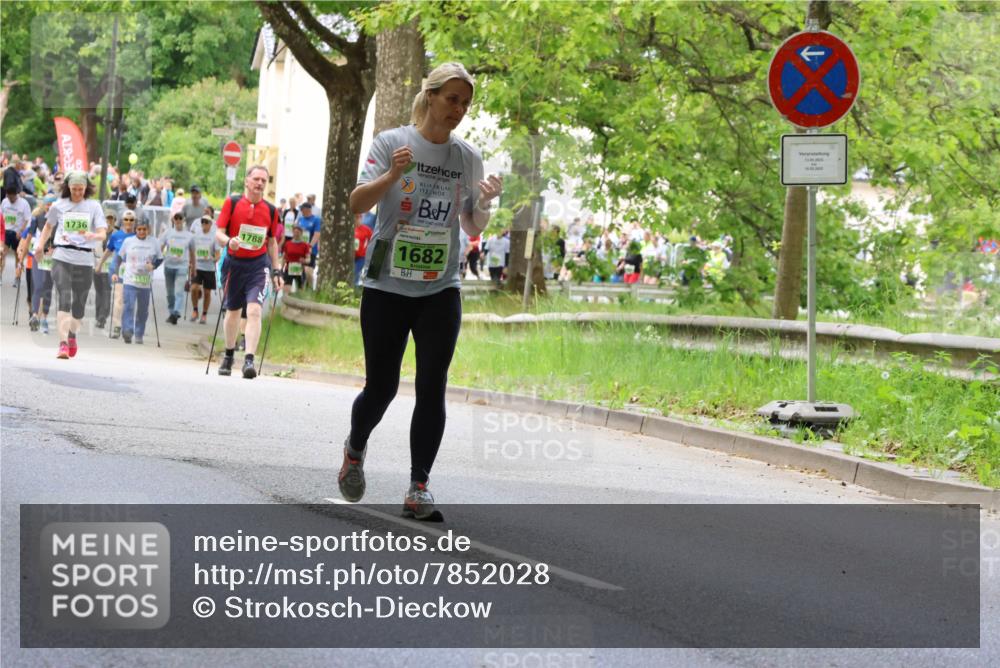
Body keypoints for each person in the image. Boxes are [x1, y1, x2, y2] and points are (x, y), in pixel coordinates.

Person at [344, 62, 502, 519]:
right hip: (387, 285)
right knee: (382, 387)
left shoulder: (467, 157)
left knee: (432, 387)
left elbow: (471, 224)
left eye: (466, 104)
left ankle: (418, 486)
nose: (459, 110)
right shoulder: (392, 143)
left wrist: (484, 202)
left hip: (440, 287)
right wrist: (391, 177)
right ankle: (355, 449)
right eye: (452, 99)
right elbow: (356, 203)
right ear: (430, 96)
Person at [214, 165, 283, 378]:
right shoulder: (232, 203)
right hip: (234, 264)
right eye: (256, 179)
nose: (260, 183)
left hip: (258, 265)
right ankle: (228, 354)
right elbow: (219, 233)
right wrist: (229, 242)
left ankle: (249, 360)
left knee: (254, 310)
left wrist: (277, 270)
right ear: (246, 180)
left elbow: (272, 242)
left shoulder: (271, 210)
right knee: (233, 311)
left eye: (264, 180)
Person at [32, 171, 107, 359]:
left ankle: (72, 335)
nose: (77, 193)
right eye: (74, 189)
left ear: (86, 188)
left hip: (84, 259)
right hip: (62, 256)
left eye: (81, 189)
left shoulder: (93, 206)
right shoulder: (59, 205)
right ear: (68, 187)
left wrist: (93, 236)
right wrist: (40, 245)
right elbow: (48, 226)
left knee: (79, 305)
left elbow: (102, 233)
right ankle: (63, 344)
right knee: (64, 298)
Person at [115, 219, 162, 344]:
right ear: (135, 230)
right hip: (130, 279)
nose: (141, 231)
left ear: (148, 230)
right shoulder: (128, 241)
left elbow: (160, 259)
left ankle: (139, 333)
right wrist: (116, 272)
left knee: (142, 309)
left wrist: (153, 265)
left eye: (144, 229)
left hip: (145, 281)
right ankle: (127, 331)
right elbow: (119, 257)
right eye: (139, 229)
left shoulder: (154, 242)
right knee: (128, 306)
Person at [99, 210, 137, 338]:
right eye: (126, 219)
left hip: (133, 272)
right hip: (118, 270)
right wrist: (99, 264)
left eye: (131, 220)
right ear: (122, 221)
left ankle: (128, 326)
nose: (128, 222)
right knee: (118, 299)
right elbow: (108, 251)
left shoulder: (138, 235)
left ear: (134, 222)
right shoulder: (116, 236)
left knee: (130, 301)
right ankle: (116, 326)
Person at [161, 212, 193, 324]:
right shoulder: (167, 233)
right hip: (169, 266)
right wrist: (156, 261)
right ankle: (171, 312)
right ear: (173, 220)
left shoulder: (189, 235)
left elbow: (193, 253)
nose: (178, 220)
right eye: (176, 218)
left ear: (184, 220)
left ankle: (176, 311)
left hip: (182, 266)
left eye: (180, 218)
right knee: (170, 293)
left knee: (178, 291)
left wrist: (193, 268)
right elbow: (161, 247)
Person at [189, 216, 218, 323]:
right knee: (194, 288)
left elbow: (218, 255)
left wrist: (213, 258)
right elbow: (191, 250)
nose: (204, 224)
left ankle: (204, 314)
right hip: (198, 266)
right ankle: (195, 310)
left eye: (206, 222)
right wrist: (190, 262)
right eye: (202, 222)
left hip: (209, 268)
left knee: (207, 292)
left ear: (211, 224)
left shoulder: (214, 237)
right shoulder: (196, 235)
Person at [92, 211, 116, 328]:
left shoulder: (116, 234)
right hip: (96, 265)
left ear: (114, 221)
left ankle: (102, 317)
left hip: (109, 267)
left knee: (106, 291)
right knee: (99, 292)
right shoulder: (97, 232)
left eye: (111, 219)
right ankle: (98, 316)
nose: (109, 221)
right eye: (107, 218)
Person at [296, 201, 321, 287]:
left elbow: (317, 234)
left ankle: (310, 289)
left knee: (308, 271)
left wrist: (310, 246)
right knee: (300, 271)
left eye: (302, 209)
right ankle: (301, 289)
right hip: (300, 249)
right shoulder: (300, 219)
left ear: (307, 210)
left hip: (311, 250)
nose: (301, 211)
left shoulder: (316, 220)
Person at [282, 224, 311, 294]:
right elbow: (284, 257)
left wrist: (304, 261)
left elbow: (308, 259)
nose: (296, 234)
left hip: (299, 269)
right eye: (295, 232)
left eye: (298, 232)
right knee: (286, 290)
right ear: (292, 232)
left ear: (301, 233)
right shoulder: (287, 244)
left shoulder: (305, 245)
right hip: (289, 268)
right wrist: (281, 269)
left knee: (300, 292)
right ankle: (286, 304)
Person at [353, 213, 373, 286]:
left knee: (355, 272)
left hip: (361, 256)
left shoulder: (366, 229)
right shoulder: (350, 228)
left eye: (359, 217)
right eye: (356, 217)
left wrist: (367, 250)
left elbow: (372, 239)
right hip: (350, 255)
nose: (357, 219)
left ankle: (355, 288)